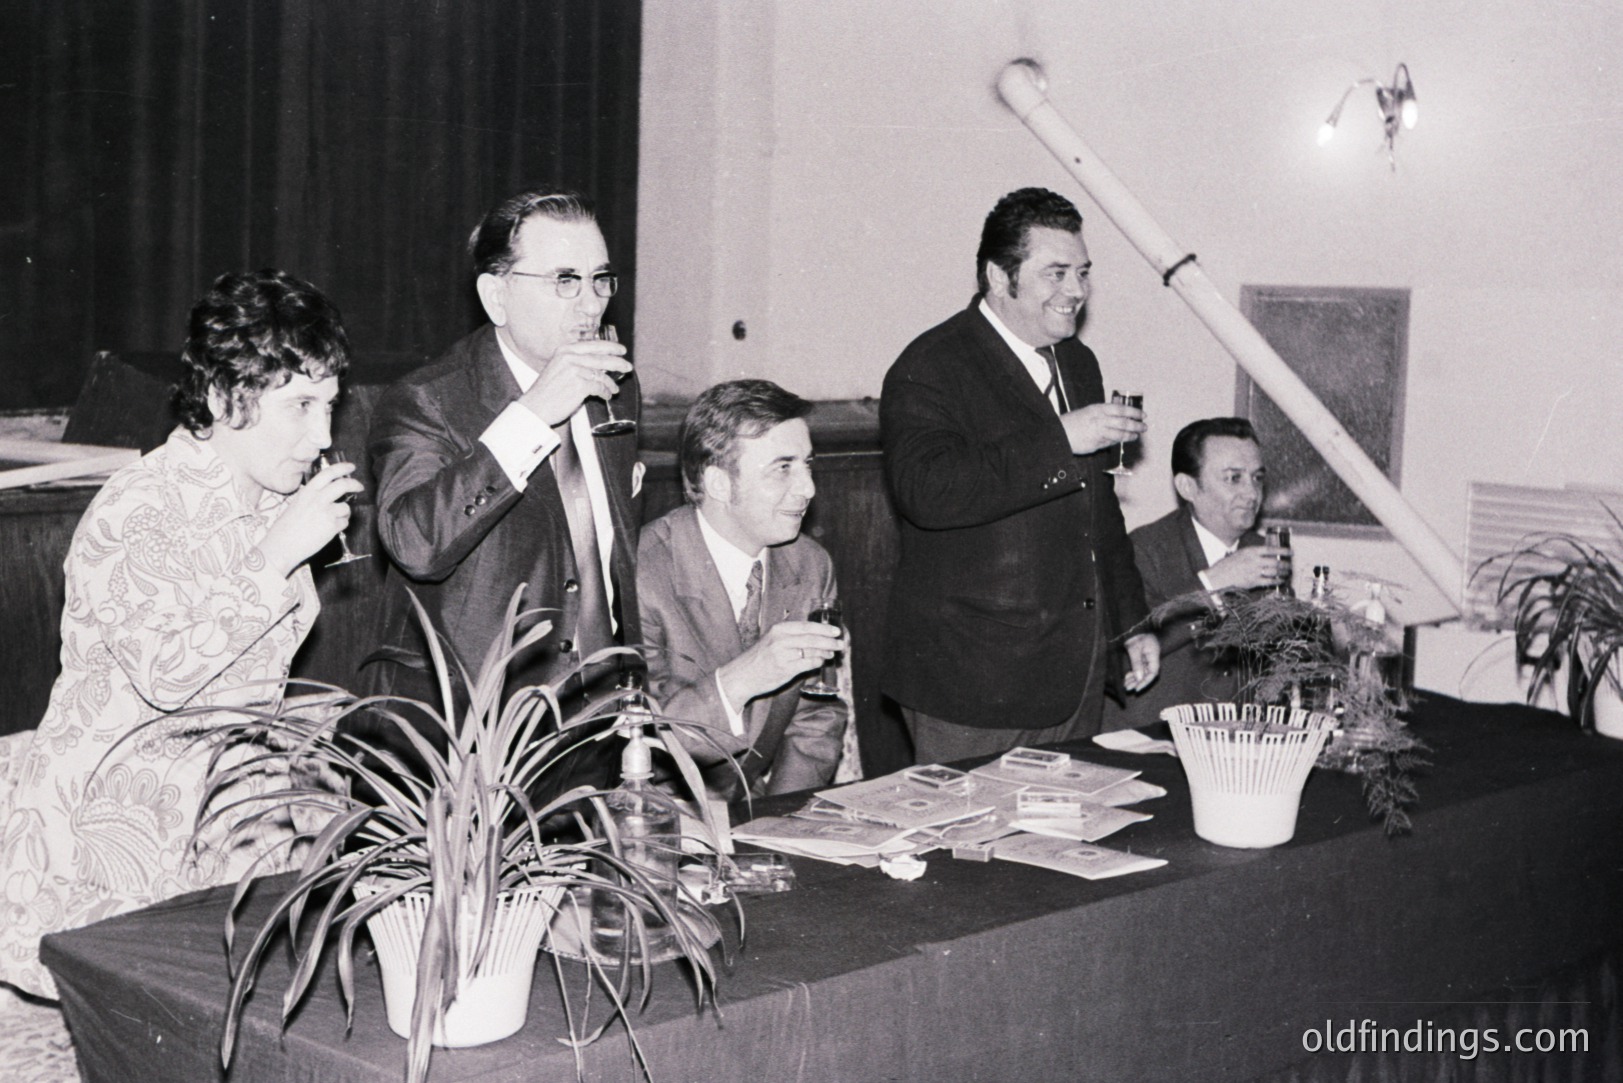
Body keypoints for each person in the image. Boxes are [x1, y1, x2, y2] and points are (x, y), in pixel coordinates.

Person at [0, 269, 358, 1001]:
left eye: (328, 405)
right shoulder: (142, 505)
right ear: (228, 399)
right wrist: (276, 555)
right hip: (114, 847)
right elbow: (167, 676)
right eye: (299, 406)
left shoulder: (270, 502)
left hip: (220, 828)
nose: (321, 435)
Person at [881, 187, 1159, 763]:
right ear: (997, 276)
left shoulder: (1078, 363)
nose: (1077, 291)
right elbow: (928, 492)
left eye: (1082, 272)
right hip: (974, 687)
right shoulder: (930, 366)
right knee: (968, 849)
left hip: (1074, 677)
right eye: (1055, 273)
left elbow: (1099, 507)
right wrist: (1062, 439)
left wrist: (1131, 623)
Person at [363, 188, 641, 726]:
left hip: (601, 714)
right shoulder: (430, 399)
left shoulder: (617, 387)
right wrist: (534, 416)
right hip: (471, 731)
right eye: (565, 281)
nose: (591, 303)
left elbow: (610, 551)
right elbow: (415, 544)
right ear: (496, 296)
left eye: (600, 279)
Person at [637, 380, 846, 799]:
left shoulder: (809, 564)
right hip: (662, 820)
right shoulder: (641, 570)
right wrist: (742, 679)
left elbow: (815, 720)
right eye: (783, 468)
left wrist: (780, 825)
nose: (808, 488)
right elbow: (645, 739)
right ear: (718, 484)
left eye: (808, 464)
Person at [1108, 417, 1285, 728]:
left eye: (1257, 478)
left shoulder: (1265, 550)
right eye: (1233, 478)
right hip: (1152, 741)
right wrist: (1212, 583)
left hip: (1235, 744)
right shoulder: (1144, 548)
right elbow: (1125, 651)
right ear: (1188, 486)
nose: (1251, 493)